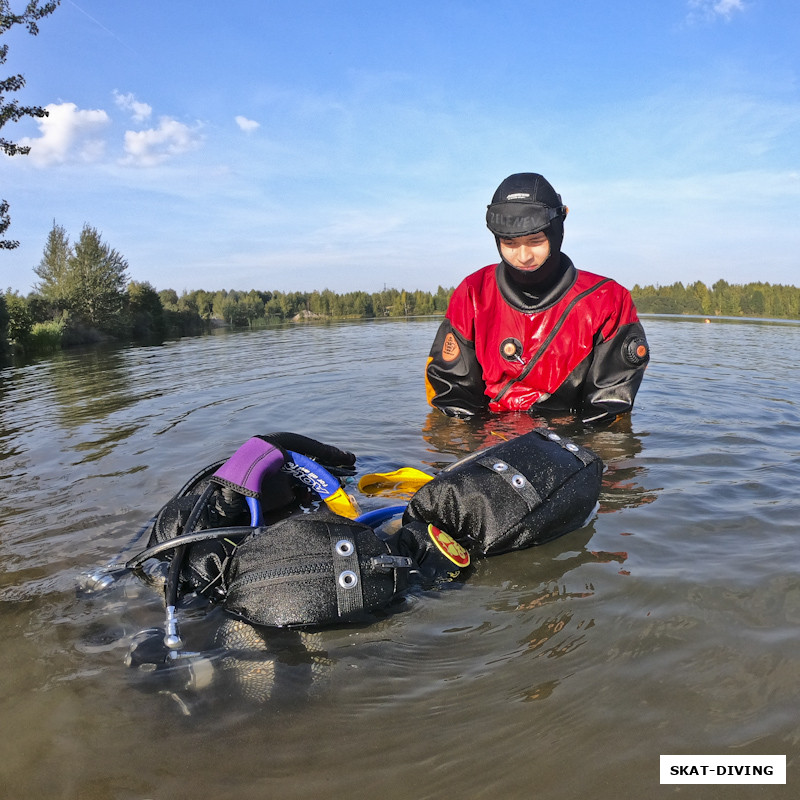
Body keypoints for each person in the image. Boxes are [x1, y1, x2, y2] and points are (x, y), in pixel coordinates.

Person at [425, 173, 649, 424]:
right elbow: (452, 396)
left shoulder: (608, 301)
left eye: (535, 241)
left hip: (570, 441)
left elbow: (608, 410)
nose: (523, 256)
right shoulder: (472, 293)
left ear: (557, 233)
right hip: (490, 436)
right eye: (509, 243)